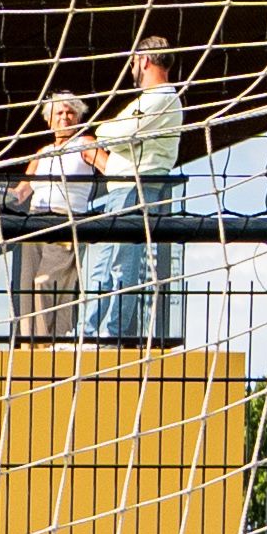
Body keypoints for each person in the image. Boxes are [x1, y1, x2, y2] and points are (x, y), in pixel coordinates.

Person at [89, 36, 190, 341]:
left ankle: (109, 335)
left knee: (121, 265)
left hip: (135, 189)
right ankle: (89, 332)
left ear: (144, 61)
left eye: (133, 62)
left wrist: (105, 134)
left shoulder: (161, 98)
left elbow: (115, 134)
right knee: (106, 266)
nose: (132, 68)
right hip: (123, 188)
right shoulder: (151, 100)